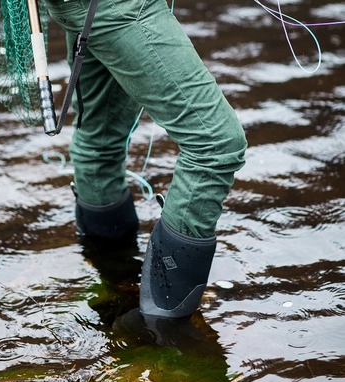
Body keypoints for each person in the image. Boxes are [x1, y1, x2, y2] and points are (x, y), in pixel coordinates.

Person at [44, 0, 247, 318]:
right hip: (116, 6)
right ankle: (164, 328)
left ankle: (113, 276)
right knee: (216, 143)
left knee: (100, 134)